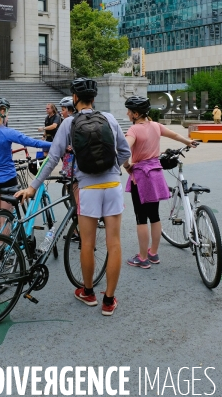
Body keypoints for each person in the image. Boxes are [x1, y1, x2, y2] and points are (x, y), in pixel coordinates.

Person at [16, 77, 131, 317]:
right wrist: (113, 168)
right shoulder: (109, 119)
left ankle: (88, 292)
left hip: (87, 188)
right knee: (114, 243)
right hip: (112, 186)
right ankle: (108, 300)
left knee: (87, 243)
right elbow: (125, 151)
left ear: (75, 99)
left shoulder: (68, 123)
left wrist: (33, 187)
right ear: (94, 99)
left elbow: (52, 159)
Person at [123, 96, 197, 269]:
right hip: (155, 175)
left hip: (141, 176)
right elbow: (176, 135)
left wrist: (127, 165)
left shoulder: (134, 130)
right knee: (154, 216)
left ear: (135, 114)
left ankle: (142, 258)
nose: (127, 113)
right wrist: (189, 142)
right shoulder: (156, 126)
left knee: (141, 218)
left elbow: (125, 149)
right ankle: (153, 253)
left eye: (128, 111)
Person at [0, 96, 52, 246]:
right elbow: (32, 142)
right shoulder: (6, 132)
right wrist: (56, 144)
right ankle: (4, 255)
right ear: (2, 112)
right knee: (6, 218)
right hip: (8, 180)